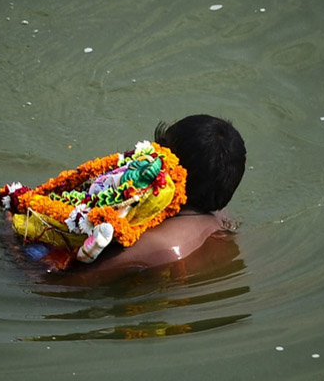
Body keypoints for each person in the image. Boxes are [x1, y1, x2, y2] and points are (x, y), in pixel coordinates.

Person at [90, 114, 246, 271]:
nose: (147, 157)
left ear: (170, 170)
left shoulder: (156, 246)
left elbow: (71, 283)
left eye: (158, 151)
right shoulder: (221, 215)